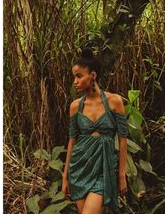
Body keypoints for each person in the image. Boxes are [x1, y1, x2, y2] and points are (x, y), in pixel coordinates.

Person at [62, 48, 128, 214]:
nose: (75, 81)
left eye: (79, 76)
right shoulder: (76, 106)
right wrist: (65, 176)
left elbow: (122, 139)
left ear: (93, 75)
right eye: (74, 77)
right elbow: (72, 141)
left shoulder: (115, 102)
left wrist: (121, 175)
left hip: (103, 169)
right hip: (79, 168)